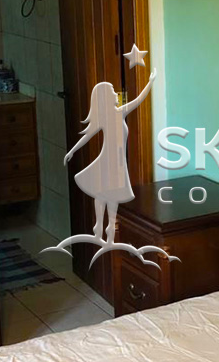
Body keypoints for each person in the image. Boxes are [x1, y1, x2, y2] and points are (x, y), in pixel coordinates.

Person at [64, 72, 156, 245]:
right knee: (104, 191)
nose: (116, 94)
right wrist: (72, 151)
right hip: (108, 158)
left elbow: (138, 100)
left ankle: (109, 228)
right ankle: (100, 226)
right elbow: (87, 135)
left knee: (112, 192)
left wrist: (150, 82)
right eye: (113, 92)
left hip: (118, 161)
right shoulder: (106, 117)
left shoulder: (119, 112)